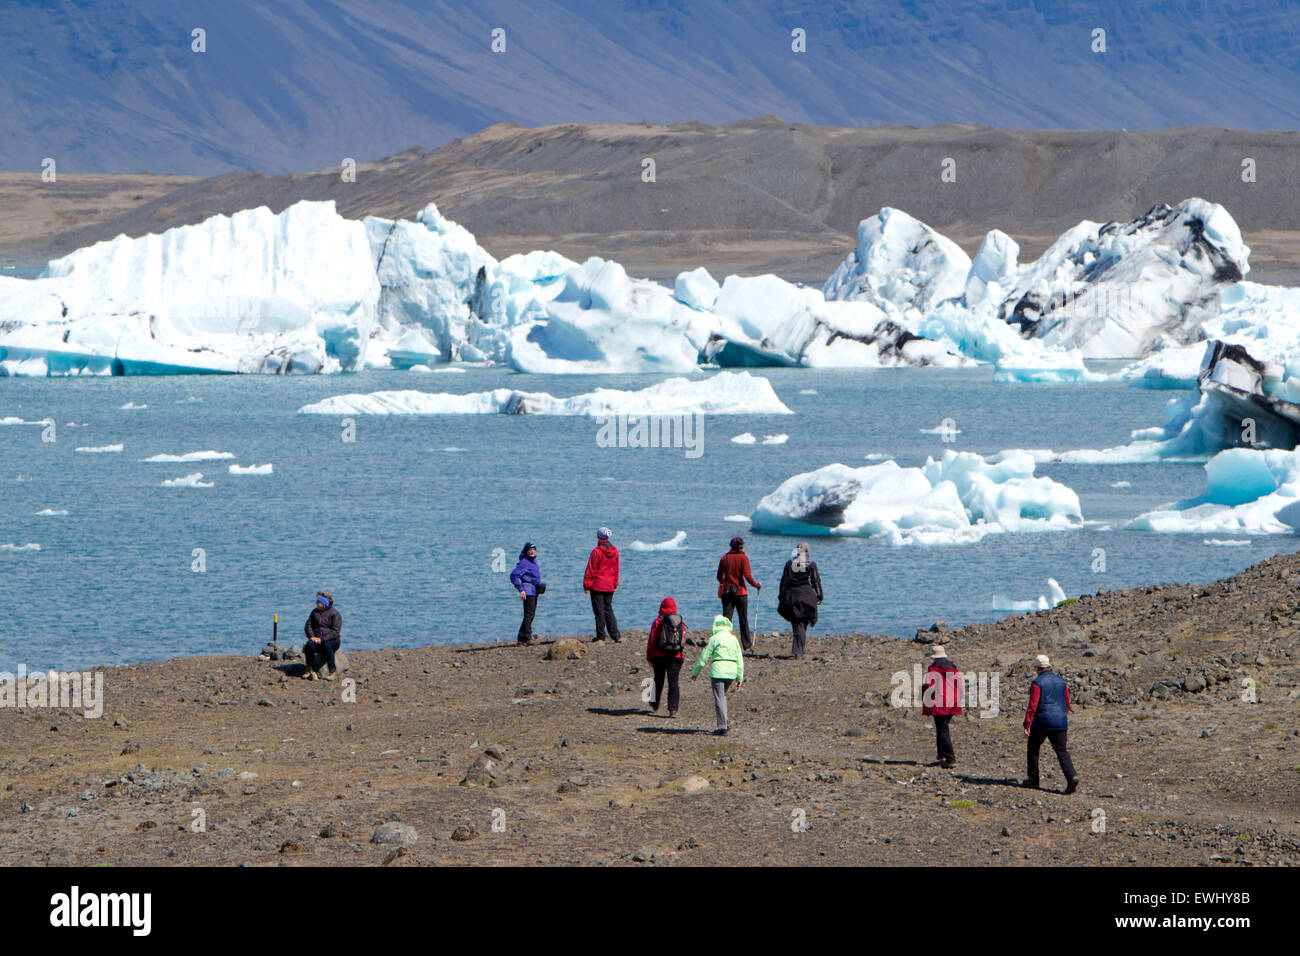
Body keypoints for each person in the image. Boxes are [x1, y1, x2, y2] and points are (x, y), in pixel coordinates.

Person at [1023, 654, 1080, 793]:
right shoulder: (1062, 681)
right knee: (1061, 750)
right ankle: (1071, 776)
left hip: (1042, 721)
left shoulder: (1037, 683)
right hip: (1060, 721)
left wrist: (1027, 723)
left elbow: (1033, 705)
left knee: (1033, 749)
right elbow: (1066, 702)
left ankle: (1033, 781)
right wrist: (1062, 715)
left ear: (1037, 667)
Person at [691, 615, 745, 735]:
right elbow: (739, 659)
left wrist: (695, 673)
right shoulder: (733, 639)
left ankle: (722, 726)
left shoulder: (714, 638)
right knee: (722, 697)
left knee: (719, 698)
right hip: (731, 672)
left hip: (718, 671)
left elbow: (704, 657)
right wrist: (739, 677)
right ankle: (724, 722)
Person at [777, 541, 823, 658]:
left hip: (793, 597)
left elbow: (784, 582)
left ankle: (798, 650)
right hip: (808, 596)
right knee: (803, 624)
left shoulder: (789, 564)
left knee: (797, 624)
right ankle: (799, 650)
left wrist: (781, 597)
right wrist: (820, 596)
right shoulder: (811, 564)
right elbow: (816, 581)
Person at [716, 537, 761, 652]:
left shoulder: (724, 558)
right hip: (741, 593)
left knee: (727, 619)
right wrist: (756, 585)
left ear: (731, 546)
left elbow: (719, 577)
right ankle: (746, 644)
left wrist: (724, 584)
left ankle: (724, 643)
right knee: (743, 619)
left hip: (727, 592)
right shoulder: (744, 558)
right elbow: (747, 576)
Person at [921, 646, 962, 768]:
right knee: (942, 727)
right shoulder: (953, 667)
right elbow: (959, 684)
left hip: (939, 701)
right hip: (952, 701)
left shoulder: (933, 669)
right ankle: (941, 754)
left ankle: (950, 758)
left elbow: (929, 686)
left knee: (942, 728)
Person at [645, 597, 686, 717]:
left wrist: (649, 656)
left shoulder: (658, 621)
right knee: (673, 682)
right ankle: (673, 709)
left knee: (658, 680)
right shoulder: (680, 621)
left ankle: (654, 704)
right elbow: (683, 639)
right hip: (676, 655)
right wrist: (681, 654)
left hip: (659, 655)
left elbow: (652, 640)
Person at [583, 526, 621, 643]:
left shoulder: (597, 552)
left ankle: (601, 635)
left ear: (598, 537)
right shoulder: (615, 551)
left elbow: (591, 569)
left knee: (599, 611)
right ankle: (615, 635)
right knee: (608, 609)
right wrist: (615, 583)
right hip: (610, 585)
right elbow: (616, 569)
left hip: (598, 585)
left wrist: (586, 585)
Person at [509, 542, 544, 645]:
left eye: (533, 550)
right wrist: (521, 589)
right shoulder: (523, 562)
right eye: (530, 550)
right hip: (527, 591)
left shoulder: (534, 562)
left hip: (534, 590)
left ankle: (522, 636)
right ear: (526, 551)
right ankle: (527, 637)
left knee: (531, 614)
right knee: (528, 614)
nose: (532, 551)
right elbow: (513, 576)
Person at [303, 591, 341, 681]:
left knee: (326, 645)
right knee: (309, 645)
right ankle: (309, 669)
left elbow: (335, 631)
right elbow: (308, 625)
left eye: (318, 602)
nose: (316, 603)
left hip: (332, 640)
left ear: (323, 603)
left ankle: (332, 671)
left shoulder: (334, 614)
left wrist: (322, 639)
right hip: (316, 639)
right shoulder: (314, 612)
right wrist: (311, 637)